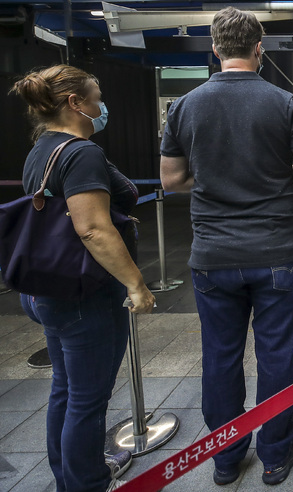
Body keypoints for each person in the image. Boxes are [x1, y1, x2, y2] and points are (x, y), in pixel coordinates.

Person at [159, 8, 293, 487]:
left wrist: (213, 180)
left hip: (212, 255)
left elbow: (171, 180)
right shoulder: (285, 102)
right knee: (276, 354)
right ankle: (275, 454)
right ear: (259, 48)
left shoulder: (186, 106)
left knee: (221, 355)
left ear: (214, 49)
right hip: (276, 251)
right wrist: (276, 177)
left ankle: (227, 457)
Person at [10, 64, 155, 491]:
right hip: (83, 295)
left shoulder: (42, 148)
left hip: (49, 288)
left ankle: (68, 475)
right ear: (76, 103)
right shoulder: (80, 152)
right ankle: (88, 481)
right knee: (88, 401)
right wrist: (136, 284)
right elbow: (92, 228)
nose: (101, 104)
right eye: (96, 96)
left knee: (67, 389)